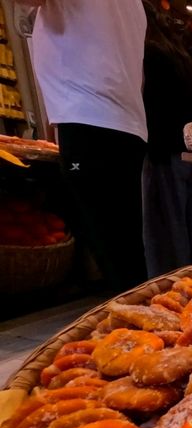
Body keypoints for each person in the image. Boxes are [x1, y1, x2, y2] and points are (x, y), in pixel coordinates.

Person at [18, 0, 149, 292]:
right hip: (127, 126)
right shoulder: (134, 6)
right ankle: (143, 326)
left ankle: (137, 331)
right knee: (127, 254)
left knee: (117, 262)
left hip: (87, 119)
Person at [141, 0, 192, 277]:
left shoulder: (147, 52)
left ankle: (171, 305)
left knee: (168, 248)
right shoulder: (178, 54)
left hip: (164, 154)